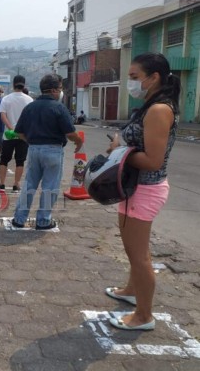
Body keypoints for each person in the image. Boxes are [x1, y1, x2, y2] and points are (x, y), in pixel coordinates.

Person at [105, 53, 180, 331]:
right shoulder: (149, 106)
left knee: (139, 255)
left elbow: (153, 160)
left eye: (135, 77)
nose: (131, 83)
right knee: (133, 249)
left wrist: (119, 152)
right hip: (135, 187)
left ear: (154, 77)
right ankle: (130, 290)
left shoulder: (159, 109)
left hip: (145, 189)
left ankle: (143, 316)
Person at [11, 74, 82, 230]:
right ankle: (43, 221)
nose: (61, 92)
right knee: (50, 186)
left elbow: (19, 132)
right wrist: (79, 141)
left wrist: (30, 141)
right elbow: (70, 134)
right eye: (60, 88)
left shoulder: (30, 107)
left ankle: (19, 219)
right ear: (54, 90)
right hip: (53, 150)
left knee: (29, 184)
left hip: (34, 149)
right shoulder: (59, 108)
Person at [0, 75, 31, 192]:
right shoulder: (29, 100)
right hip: (23, 136)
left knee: (4, 159)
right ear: (24, 85)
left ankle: (2, 183)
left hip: (8, 135)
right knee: (20, 161)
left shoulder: (6, 99)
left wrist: (11, 129)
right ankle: (16, 184)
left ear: (13, 84)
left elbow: (3, 116)